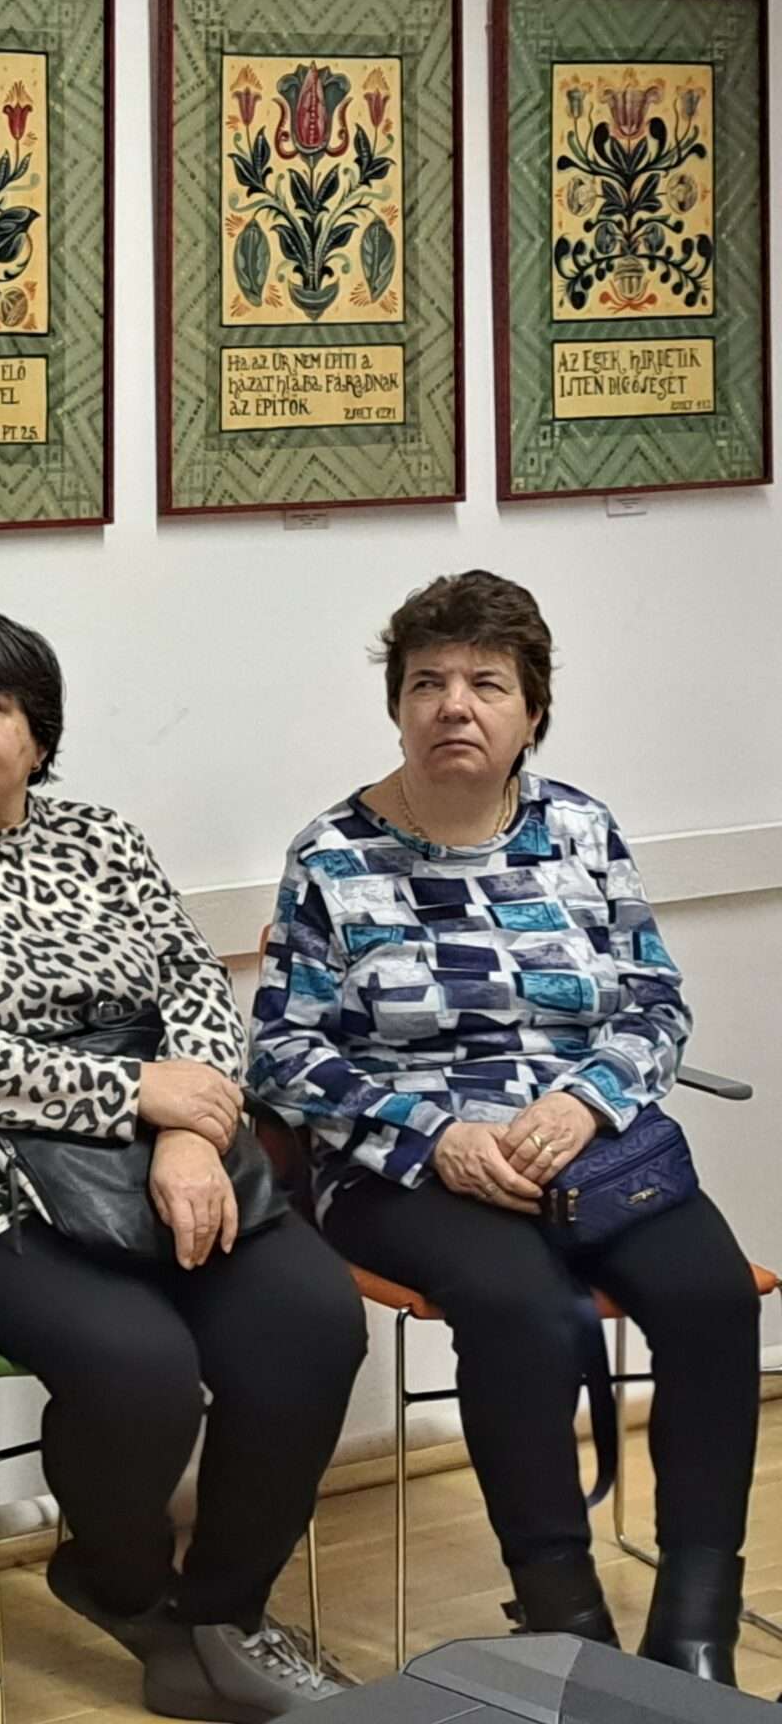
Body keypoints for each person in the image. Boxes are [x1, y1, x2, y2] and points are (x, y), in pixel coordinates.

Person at [0, 609, 362, 1724]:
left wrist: (191, 1134)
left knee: (309, 1318)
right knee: (139, 1365)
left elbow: (194, 985)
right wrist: (135, 1094)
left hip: (144, 1168)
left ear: (40, 735)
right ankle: (122, 1585)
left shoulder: (101, 839)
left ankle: (223, 1614)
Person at [248, 570, 761, 1683]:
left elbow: (654, 1005)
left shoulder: (581, 829)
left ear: (532, 710)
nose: (454, 706)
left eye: (486, 683)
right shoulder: (332, 854)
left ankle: (695, 1627)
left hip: (588, 1146)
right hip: (404, 1170)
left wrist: (584, 1101)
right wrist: (434, 1136)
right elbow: (283, 1051)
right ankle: (565, 1617)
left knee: (715, 1300)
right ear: (396, 706)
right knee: (520, 1307)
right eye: (427, 683)